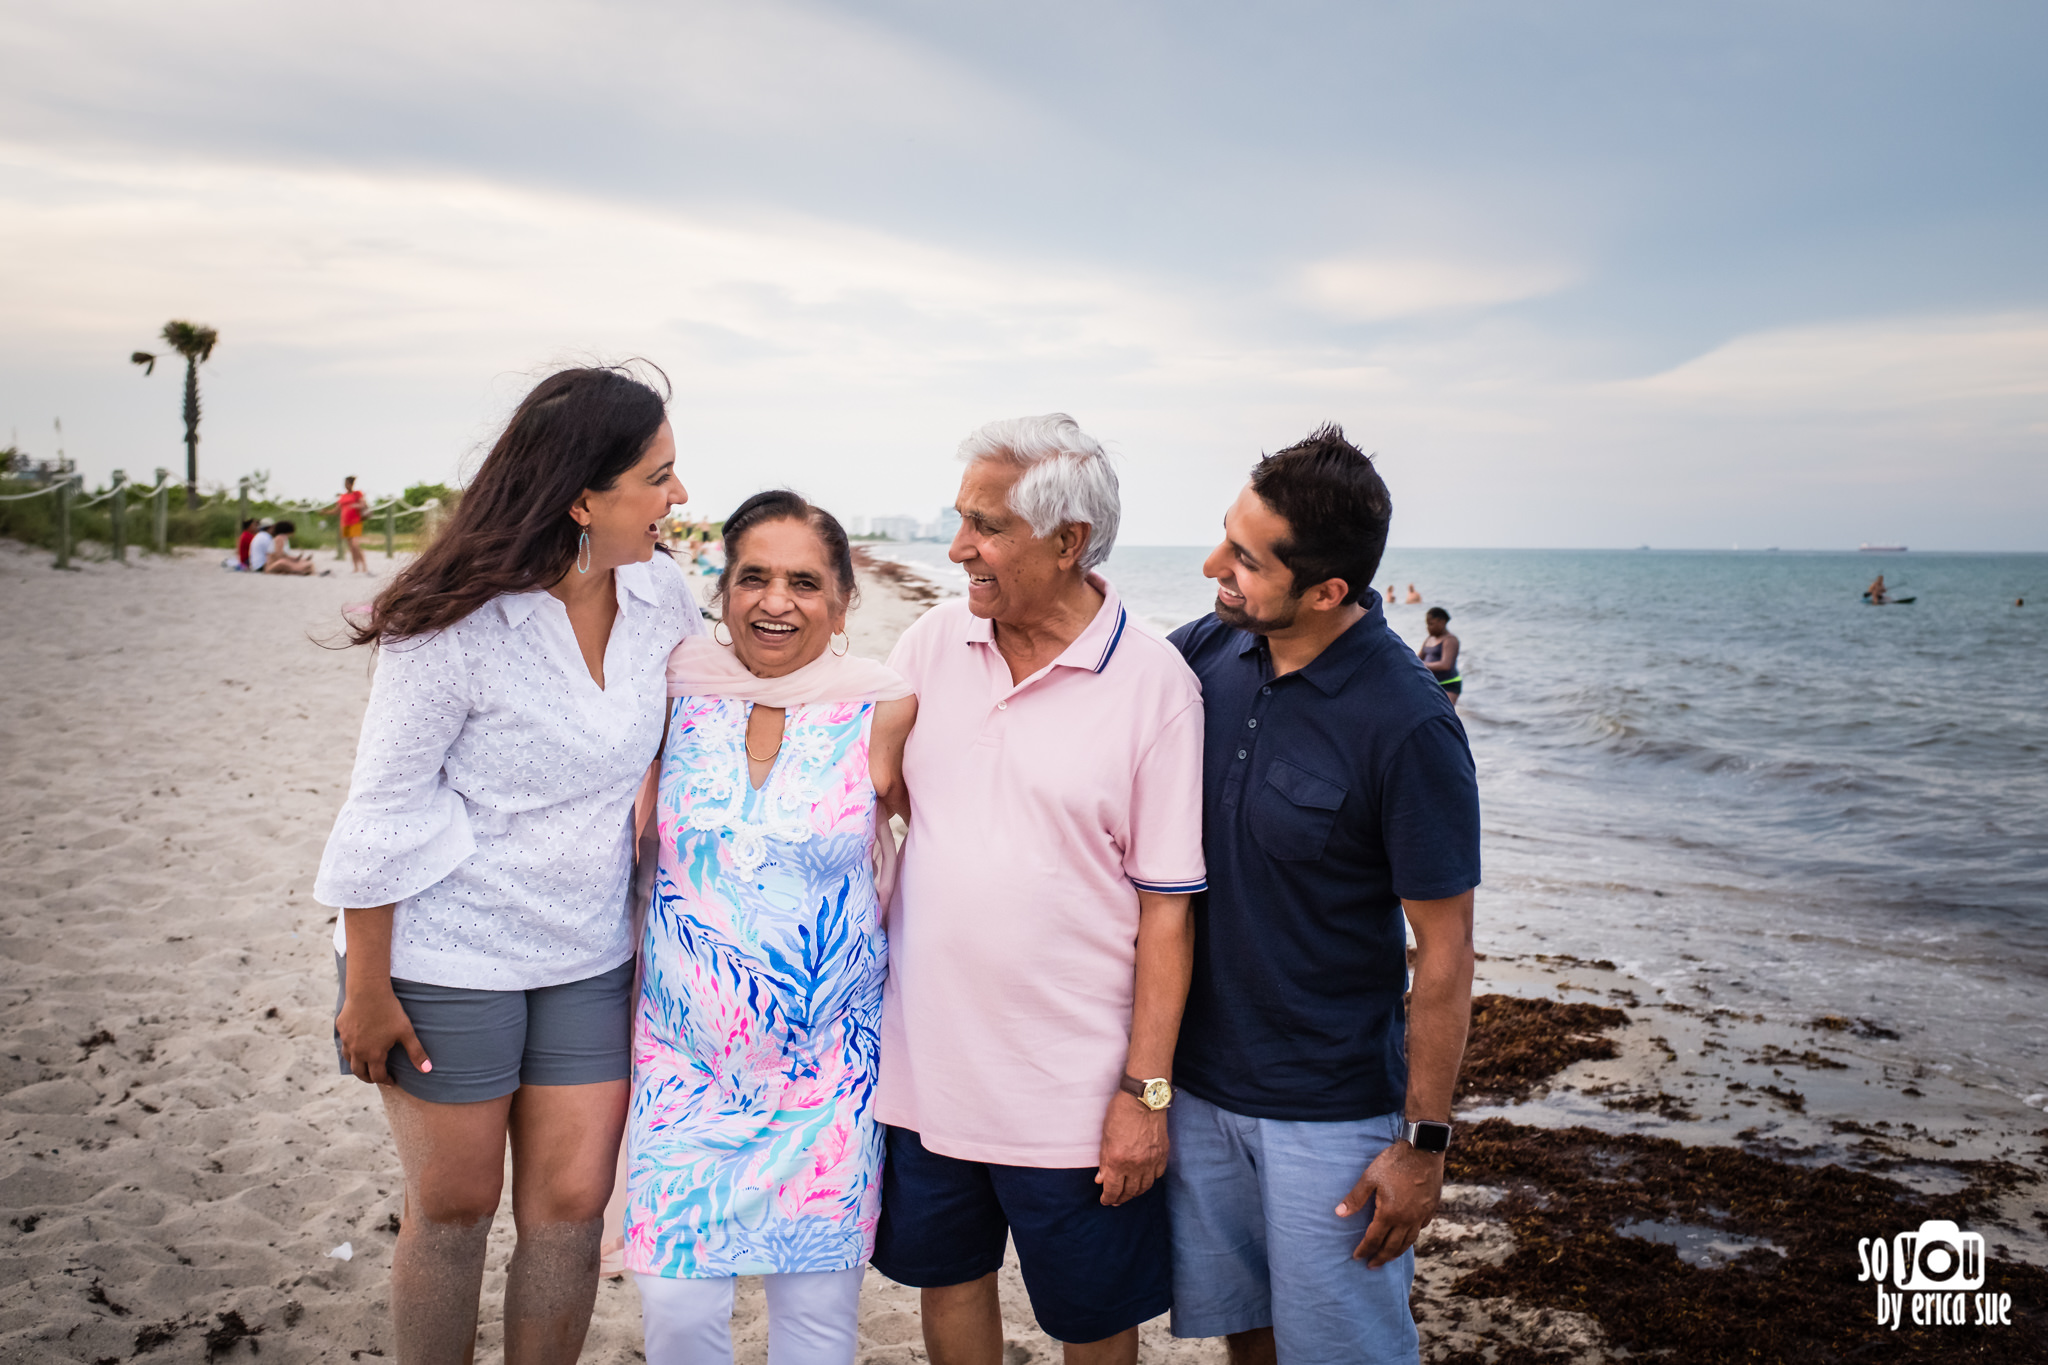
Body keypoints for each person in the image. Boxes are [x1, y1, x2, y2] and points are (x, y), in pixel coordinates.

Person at [315, 365, 700, 1365]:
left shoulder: (665, 596)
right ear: (582, 497)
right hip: (446, 953)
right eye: (659, 477)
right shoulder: (451, 622)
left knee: (571, 1211)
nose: (680, 498)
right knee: (452, 1209)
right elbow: (382, 811)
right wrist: (367, 986)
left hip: (586, 949)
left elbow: (706, 729)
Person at [872, 414, 1206, 1365]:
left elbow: (1168, 909)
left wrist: (1145, 1093)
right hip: (926, 1070)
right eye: (960, 517)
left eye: (987, 526)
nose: (957, 547)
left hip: (1073, 1091)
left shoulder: (1156, 687)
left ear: (1068, 544)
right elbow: (864, 789)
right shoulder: (934, 644)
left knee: (1094, 1320)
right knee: (949, 1282)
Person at [1166, 425, 1480, 1365]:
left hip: (1332, 1116)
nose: (1214, 564)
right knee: (1247, 1334)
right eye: (1227, 533)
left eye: (1246, 559)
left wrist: (1422, 1144)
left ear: (1329, 590)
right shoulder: (1207, 652)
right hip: (1197, 1089)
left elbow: (1449, 953)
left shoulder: (1410, 724)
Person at [624, 490, 917, 1365]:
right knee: (675, 1311)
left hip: (830, 1073)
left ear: (842, 600)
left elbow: (944, 848)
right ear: (722, 588)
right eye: (752, 577)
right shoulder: (674, 689)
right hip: (683, 1068)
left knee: (818, 1327)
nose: (775, 601)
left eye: (803, 581)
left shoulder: (885, 706)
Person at [1419, 607, 1462, 705]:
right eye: (1427, 624)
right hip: (1431, 683)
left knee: (1445, 715)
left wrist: (1423, 664)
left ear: (1442, 622)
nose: (1428, 627)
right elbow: (1418, 658)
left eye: (1431, 624)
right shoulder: (1429, 639)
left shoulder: (1450, 640)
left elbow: (1445, 665)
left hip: (1448, 684)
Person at [338, 475, 371, 575]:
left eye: (347, 483)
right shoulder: (343, 496)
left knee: (355, 544)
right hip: (345, 522)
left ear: (351, 484)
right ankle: (356, 567)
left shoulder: (357, 494)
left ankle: (364, 565)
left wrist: (355, 505)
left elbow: (363, 504)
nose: (346, 485)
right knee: (350, 546)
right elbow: (338, 509)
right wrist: (325, 512)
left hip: (355, 521)